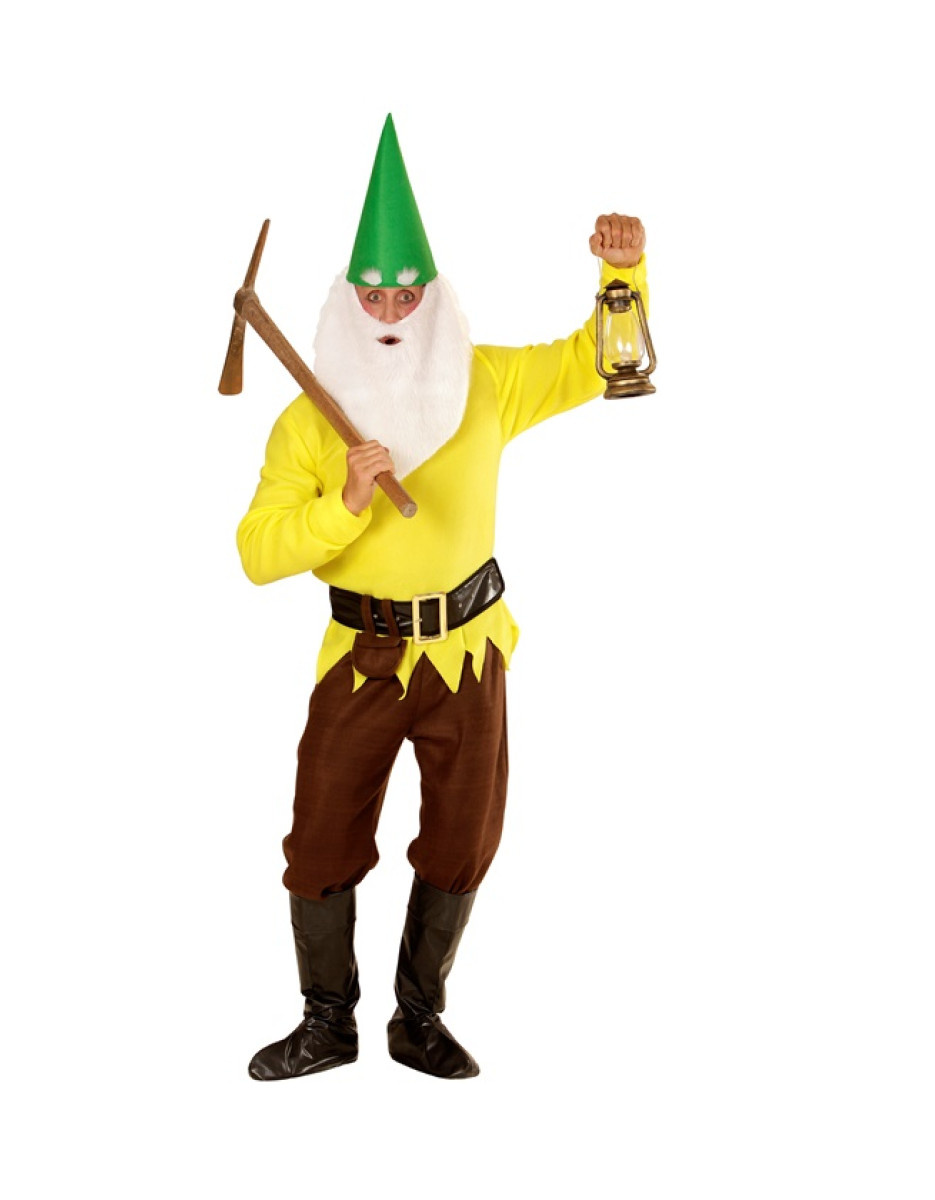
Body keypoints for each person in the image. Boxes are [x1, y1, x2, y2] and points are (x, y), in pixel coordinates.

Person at [237, 114, 648, 1080]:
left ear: (432, 296)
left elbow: (595, 361)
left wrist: (623, 273)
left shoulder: (487, 383)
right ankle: (327, 1022)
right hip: (362, 659)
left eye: (406, 289)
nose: (390, 306)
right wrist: (342, 506)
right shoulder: (307, 425)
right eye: (373, 291)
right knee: (321, 836)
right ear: (348, 301)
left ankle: (416, 1018)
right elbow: (257, 552)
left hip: (468, 652)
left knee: (464, 838)